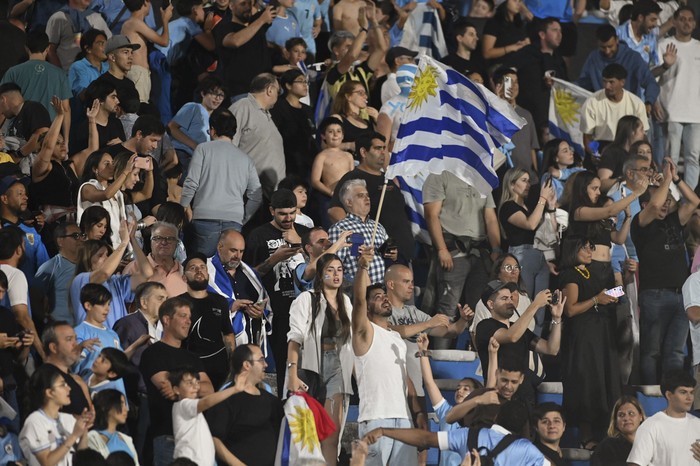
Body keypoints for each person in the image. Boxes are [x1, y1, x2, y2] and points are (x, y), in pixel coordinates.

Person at [631, 157, 699, 384]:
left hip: (681, 296)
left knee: (676, 352)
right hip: (654, 295)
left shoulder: (673, 221)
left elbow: (693, 201)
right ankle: (650, 396)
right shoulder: (640, 224)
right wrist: (666, 179)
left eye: (669, 200)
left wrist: (676, 178)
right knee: (651, 352)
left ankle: (670, 394)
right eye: (663, 199)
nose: (666, 203)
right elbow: (652, 205)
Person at [351, 248, 420, 466]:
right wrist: (363, 267)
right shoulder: (364, 332)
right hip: (375, 417)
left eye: (385, 296)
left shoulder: (396, 338)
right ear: (368, 308)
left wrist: (418, 415)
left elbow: (406, 381)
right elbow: (359, 300)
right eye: (377, 297)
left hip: (404, 418)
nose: (384, 299)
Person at [285, 253, 353, 465]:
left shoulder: (346, 302)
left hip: (337, 368)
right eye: (330, 270)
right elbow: (294, 339)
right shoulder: (306, 299)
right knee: (307, 435)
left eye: (339, 269)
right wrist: (292, 373)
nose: (336, 274)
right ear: (321, 274)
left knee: (331, 434)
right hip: (309, 366)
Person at [558, 235, 621, 448]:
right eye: (584, 248)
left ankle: (606, 435)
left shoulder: (593, 272)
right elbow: (571, 309)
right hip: (584, 336)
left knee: (603, 382)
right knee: (586, 383)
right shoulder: (570, 274)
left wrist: (621, 284)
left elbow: (606, 295)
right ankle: (587, 437)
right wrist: (596, 299)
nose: (589, 251)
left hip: (601, 334)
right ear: (572, 251)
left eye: (590, 247)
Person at [244, 188, 309, 394]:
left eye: (292, 213)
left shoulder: (304, 233)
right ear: (272, 210)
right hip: (276, 309)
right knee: (283, 361)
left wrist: (299, 240)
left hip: (304, 307)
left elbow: (320, 262)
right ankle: (284, 404)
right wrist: (274, 259)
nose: (288, 218)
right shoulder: (257, 235)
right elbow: (248, 275)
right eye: (282, 214)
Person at [138, 297, 214, 466]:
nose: (188, 321)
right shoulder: (153, 353)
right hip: (168, 437)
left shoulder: (193, 357)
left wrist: (182, 386)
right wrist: (194, 388)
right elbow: (167, 388)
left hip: (197, 438)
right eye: (183, 316)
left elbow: (209, 390)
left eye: (189, 317)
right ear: (166, 319)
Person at [180, 107, 262, 256]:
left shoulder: (203, 149)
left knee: (203, 268)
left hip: (204, 219)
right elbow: (256, 195)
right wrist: (242, 218)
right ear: (234, 131)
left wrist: (183, 207)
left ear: (212, 130)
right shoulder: (246, 159)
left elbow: (191, 182)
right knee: (228, 269)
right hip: (234, 221)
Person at [362, 400, 547, 465]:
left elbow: (425, 439)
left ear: (497, 416)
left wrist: (384, 430)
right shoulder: (528, 450)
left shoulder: (469, 435)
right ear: (524, 426)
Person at [329, 133, 415, 265]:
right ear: (363, 152)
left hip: (401, 252)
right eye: (377, 148)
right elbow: (335, 210)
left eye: (384, 148)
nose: (383, 153)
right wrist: (359, 239)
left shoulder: (388, 178)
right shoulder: (353, 178)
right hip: (376, 256)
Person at [476, 280, 561, 405]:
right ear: (491, 304)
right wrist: (535, 305)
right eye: (504, 298)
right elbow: (512, 336)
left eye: (511, 298)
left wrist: (556, 318)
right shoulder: (485, 326)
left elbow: (551, 349)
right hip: (499, 397)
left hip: (525, 397)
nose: (510, 302)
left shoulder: (519, 329)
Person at [204, 344, 284, 466]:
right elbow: (214, 438)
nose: (266, 365)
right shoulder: (226, 399)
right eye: (261, 360)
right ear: (247, 365)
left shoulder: (272, 401)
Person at [70, 224, 153, 328]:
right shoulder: (80, 280)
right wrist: (123, 243)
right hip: (94, 342)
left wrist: (132, 239)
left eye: (107, 255)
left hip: (116, 340)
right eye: (100, 255)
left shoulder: (115, 281)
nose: (106, 258)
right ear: (87, 259)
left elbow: (147, 273)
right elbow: (104, 273)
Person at [206, 229, 272, 351]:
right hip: (218, 345)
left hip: (251, 345)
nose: (237, 256)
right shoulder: (205, 270)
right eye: (233, 250)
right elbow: (202, 301)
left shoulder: (250, 274)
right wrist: (230, 306)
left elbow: (264, 304)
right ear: (220, 247)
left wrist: (259, 312)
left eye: (241, 251)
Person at [657, 6, 700, 189]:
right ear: (674, 21)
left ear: (695, 23)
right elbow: (653, 77)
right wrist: (656, 101)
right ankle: (669, 195)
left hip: (696, 113)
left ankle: (689, 200)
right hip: (671, 111)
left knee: (693, 157)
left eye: (690, 19)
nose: (686, 23)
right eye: (682, 19)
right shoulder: (663, 45)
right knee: (671, 157)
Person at [179, 253, 236, 389]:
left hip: (219, 368)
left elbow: (228, 334)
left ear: (208, 274)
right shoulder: (177, 304)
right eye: (193, 268)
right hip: (189, 369)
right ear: (184, 277)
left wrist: (233, 365)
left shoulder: (220, 301)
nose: (199, 270)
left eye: (202, 267)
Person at [1, 30, 71, 138]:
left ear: (26, 48)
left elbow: (3, 102)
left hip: (20, 134)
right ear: (47, 48)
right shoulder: (60, 74)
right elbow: (66, 109)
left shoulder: (13, 71)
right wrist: (66, 140)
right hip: (50, 134)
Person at [498, 167, 555, 299]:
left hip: (539, 255)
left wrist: (551, 207)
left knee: (542, 303)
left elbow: (548, 231)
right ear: (512, 184)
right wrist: (542, 198)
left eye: (529, 181)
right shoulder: (508, 207)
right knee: (525, 301)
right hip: (521, 256)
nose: (528, 185)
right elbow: (530, 224)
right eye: (524, 180)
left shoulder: (528, 207)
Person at [19, 364, 92, 466]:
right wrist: (74, 435)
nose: (69, 388)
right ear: (49, 392)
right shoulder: (34, 421)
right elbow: (47, 463)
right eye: (62, 385)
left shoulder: (68, 418)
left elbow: (82, 457)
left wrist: (83, 431)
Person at [170, 368, 245, 466]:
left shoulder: (190, 408)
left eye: (197, 382)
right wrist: (234, 389)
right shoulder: (183, 405)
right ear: (176, 389)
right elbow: (206, 402)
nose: (195, 387)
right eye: (189, 383)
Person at [328, 179, 394, 286]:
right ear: (349, 202)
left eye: (367, 195)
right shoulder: (339, 228)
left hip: (380, 290)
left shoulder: (378, 226)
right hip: (355, 289)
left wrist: (392, 254)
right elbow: (334, 264)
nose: (367, 198)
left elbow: (388, 254)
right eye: (360, 195)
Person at [627, 370, 700, 466]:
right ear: (669, 395)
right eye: (683, 392)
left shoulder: (697, 424)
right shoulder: (651, 426)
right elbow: (636, 463)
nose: (689, 398)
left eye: (691, 392)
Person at [229, 73, 285, 197]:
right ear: (270, 89)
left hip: (269, 195)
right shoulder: (243, 106)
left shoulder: (266, 114)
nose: (278, 95)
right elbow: (227, 146)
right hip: (250, 191)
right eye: (278, 90)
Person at [580, 64, 648, 161]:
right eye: (604, 81)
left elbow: (643, 135)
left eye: (611, 82)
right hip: (600, 147)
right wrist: (594, 154)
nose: (607, 86)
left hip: (628, 149)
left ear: (622, 82)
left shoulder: (636, 103)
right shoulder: (591, 102)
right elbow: (588, 136)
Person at [214, 0, 275, 98]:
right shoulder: (224, 26)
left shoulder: (257, 25)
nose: (248, 7)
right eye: (243, 4)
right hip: (241, 92)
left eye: (250, 3)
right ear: (231, 6)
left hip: (266, 91)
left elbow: (275, 6)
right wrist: (261, 20)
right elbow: (234, 41)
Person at [0, 226, 45, 359]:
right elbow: (22, 317)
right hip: (13, 349)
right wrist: (42, 352)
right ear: (19, 250)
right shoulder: (15, 274)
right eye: (24, 245)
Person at [76, 151, 137, 247]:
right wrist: (126, 171)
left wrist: (150, 172)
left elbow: (146, 194)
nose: (111, 167)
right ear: (95, 169)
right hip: (96, 245)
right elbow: (106, 195)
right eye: (106, 164)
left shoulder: (117, 192)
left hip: (119, 245)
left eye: (112, 163)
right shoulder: (87, 187)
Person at [167, 76, 226, 175]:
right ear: (203, 93)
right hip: (182, 154)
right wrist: (195, 146)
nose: (218, 98)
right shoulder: (193, 107)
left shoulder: (215, 120)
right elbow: (171, 127)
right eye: (214, 93)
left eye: (221, 95)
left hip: (198, 160)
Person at [120, 0, 174, 103]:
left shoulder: (130, 23)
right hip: (137, 74)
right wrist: (165, 20)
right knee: (138, 109)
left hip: (137, 73)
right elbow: (164, 41)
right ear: (145, 2)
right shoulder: (135, 23)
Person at [0, 174, 50, 278]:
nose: (26, 197)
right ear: (5, 199)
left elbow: (45, 268)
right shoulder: (1, 229)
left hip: (29, 292)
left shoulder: (31, 230)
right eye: (20, 194)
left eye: (25, 193)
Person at [34, 223, 84, 325]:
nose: (81, 240)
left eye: (82, 235)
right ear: (60, 241)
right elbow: (34, 299)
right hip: (61, 332)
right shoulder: (50, 267)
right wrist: (46, 322)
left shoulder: (88, 265)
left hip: (85, 332)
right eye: (75, 236)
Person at [270, 68, 317, 176]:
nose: (305, 85)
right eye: (300, 81)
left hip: (306, 161)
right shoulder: (278, 107)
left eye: (306, 82)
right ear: (288, 85)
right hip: (285, 160)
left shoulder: (307, 109)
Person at [41, 321, 93, 415]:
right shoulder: (44, 377)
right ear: (53, 347)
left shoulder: (76, 380)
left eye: (75, 339)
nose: (76, 344)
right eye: (69, 339)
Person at [124, 222, 187, 297]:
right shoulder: (134, 268)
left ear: (177, 244)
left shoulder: (184, 272)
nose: (163, 242)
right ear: (151, 242)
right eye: (158, 238)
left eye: (170, 239)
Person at [45, 0, 112, 71]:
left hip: (95, 75)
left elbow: (111, 46)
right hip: (68, 74)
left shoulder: (97, 17)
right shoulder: (58, 18)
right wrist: (60, 74)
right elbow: (50, 50)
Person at [0, 82, 51, 163]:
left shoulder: (33, 107)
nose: (1, 111)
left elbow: (42, 134)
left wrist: (17, 155)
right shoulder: (14, 120)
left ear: (3, 99)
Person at [590, 395, 645, 466]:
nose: (626, 418)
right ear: (615, 421)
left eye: (631, 414)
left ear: (640, 417)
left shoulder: (650, 443)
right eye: (621, 415)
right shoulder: (606, 447)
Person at [88, 389, 140, 464]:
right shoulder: (92, 437)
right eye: (121, 404)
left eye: (125, 404)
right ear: (106, 406)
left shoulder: (127, 439)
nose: (126, 409)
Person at [596, 115, 646, 192]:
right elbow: (602, 183)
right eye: (641, 129)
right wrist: (624, 180)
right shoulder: (612, 153)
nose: (644, 133)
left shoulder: (637, 154)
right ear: (632, 132)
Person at [310, 116, 355, 199]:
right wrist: (330, 193)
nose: (335, 134)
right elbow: (315, 181)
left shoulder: (349, 156)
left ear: (342, 135)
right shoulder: (322, 156)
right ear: (323, 136)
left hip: (347, 198)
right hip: (330, 198)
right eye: (331, 131)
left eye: (339, 131)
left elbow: (352, 178)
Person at [331, 80, 378, 153]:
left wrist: (377, 120)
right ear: (348, 96)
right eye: (361, 93)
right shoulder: (338, 119)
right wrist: (349, 145)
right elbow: (326, 145)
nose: (365, 96)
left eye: (365, 93)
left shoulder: (367, 122)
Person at [481, 0, 530, 64]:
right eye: (515, 1)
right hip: (501, 65)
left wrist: (526, 43)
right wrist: (511, 48)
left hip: (521, 64)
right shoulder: (494, 23)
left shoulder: (519, 24)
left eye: (519, 1)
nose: (518, 4)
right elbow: (487, 53)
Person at [68, 29, 109, 101]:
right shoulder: (79, 67)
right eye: (100, 43)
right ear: (88, 49)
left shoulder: (108, 66)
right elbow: (84, 95)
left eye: (105, 44)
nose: (105, 47)